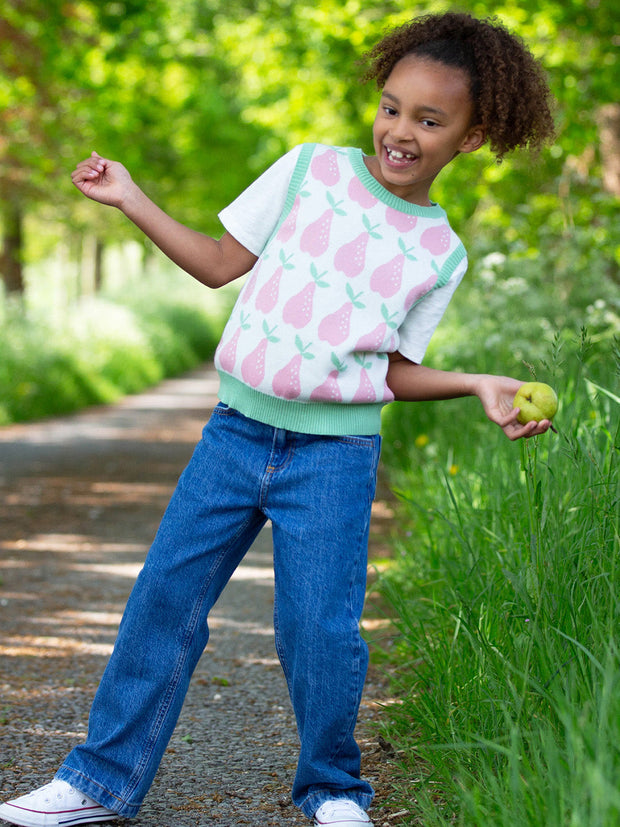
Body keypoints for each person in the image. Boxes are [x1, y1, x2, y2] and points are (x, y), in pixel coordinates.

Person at [0, 11, 555, 827]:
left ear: (470, 138)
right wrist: (129, 198)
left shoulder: (441, 250)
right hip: (234, 432)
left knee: (321, 632)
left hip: (334, 455)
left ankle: (333, 789)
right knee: (163, 599)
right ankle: (100, 779)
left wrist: (474, 382)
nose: (401, 131)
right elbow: (221, 263)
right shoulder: (309, 171)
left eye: (430, 120)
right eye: (392, 107)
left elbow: (391, 370)